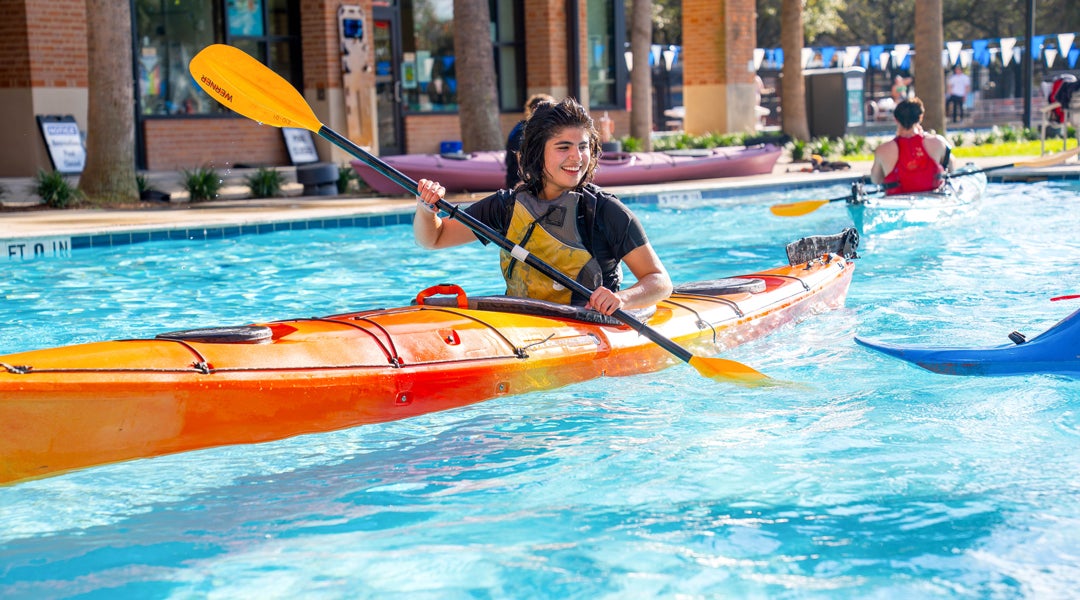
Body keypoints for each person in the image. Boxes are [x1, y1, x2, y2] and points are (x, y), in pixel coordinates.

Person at [415, 98, 672, 316]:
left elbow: (660, 281)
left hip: (590, 329)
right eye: (563, 147)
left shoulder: (606, 211)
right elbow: (434, 239)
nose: (576, 157)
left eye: (583, 147)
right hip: (524, 328)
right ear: (537, 153)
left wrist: (623, 299)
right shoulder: (507, 206)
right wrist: (426, 207)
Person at [870, 97, 952, 195]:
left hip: (897, 204)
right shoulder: (938, 142)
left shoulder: (883, 150)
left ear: (896, 119)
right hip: (933, 201)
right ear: (920, 118)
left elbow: (876, 180)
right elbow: (951, 169)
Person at [505, 93, 555, 188]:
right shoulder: (523, 130)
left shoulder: (533, 128)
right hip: (519, 181)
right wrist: (526, 182)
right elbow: (519, 156)